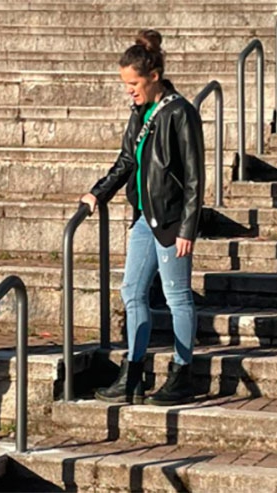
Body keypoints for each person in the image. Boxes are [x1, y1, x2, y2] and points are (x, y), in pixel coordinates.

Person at [81, 30, 204, 406]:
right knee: (131, 292)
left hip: (170, 221)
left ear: (153, 76)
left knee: (176, 296)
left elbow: (196, 176)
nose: (129, 91)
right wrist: (98, 193)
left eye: (133, 84)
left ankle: (182, 373)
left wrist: (188, 227)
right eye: (125, 85)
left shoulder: (180, 112)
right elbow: (126, 162)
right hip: (143, 218)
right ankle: (132, 374)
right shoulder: (140, 113)